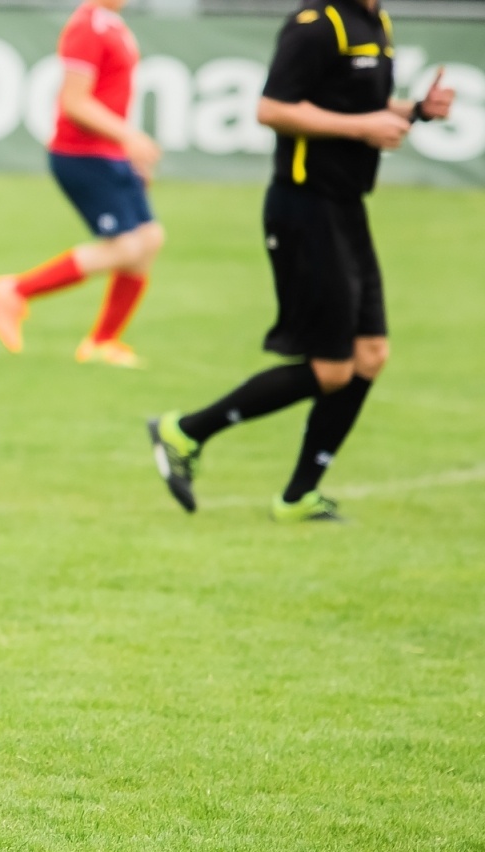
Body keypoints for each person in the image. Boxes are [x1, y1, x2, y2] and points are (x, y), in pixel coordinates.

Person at [148, 0, 453, 522]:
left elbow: (359, 104)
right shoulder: (317, 24)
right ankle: (186, 431)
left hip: (347, 207)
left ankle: (298, 497)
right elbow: (272, 109)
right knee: (332, 369)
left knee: (370, 354)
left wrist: (416, 111)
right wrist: (363, 128)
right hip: (304, 208)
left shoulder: (375, 20)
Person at [0, 0, 164, 369]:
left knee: (148, 239)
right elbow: (75, 102)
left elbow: (110, 96)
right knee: (126, 246)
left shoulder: (112, 24)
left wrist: (126, 150)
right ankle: (13, 291)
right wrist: (129, 136)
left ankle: (103, 342)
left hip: (109, 153)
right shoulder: (87, 26)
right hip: (82, 154)